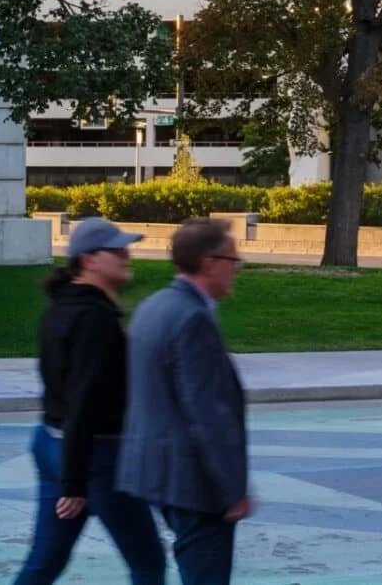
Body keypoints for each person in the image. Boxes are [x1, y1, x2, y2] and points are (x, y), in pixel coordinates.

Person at [11, 216, 165, 585]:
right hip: (96, 456)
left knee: (45, 562)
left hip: (53, 443)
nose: (126, 255)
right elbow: (84, 401)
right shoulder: (95, 318)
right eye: (117, 250)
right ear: (89, 259)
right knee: (148, 563)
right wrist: (74, 482)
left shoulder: (60, 308)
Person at [118, 220, 250, 585]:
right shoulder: (193, 319)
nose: (237, 268)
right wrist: (233, 490)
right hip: (194, 484)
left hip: (157, 474)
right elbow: (208, 414)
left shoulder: (153, 306)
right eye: (233, 260)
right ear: (209, 263)